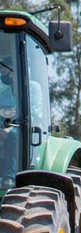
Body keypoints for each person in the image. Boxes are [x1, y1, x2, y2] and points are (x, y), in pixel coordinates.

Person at [0, 57, 17, 188]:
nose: (2, 74)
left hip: (24, 127)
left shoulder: (32, 88)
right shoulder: (5, 93)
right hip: (5, 127)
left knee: (13, 135)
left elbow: (34, 113)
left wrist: (8, 129)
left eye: (4, 70)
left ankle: (9, 177)